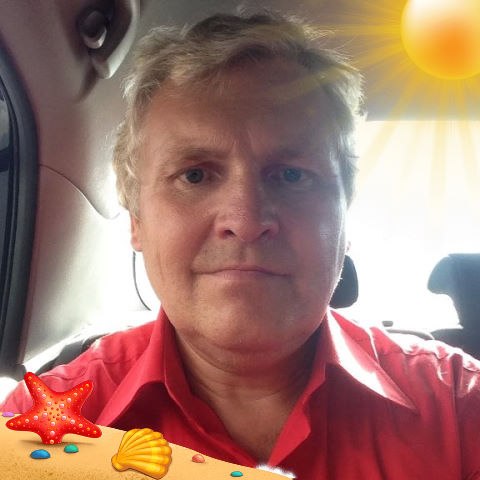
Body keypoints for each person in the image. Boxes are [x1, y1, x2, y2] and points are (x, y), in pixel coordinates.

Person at [2, 11, 480, 479]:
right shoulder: (37, 427)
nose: (246, 221)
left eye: (291, 175)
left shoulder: (461, 408)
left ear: (344, 218)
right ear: (137, 221)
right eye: (194, 175)